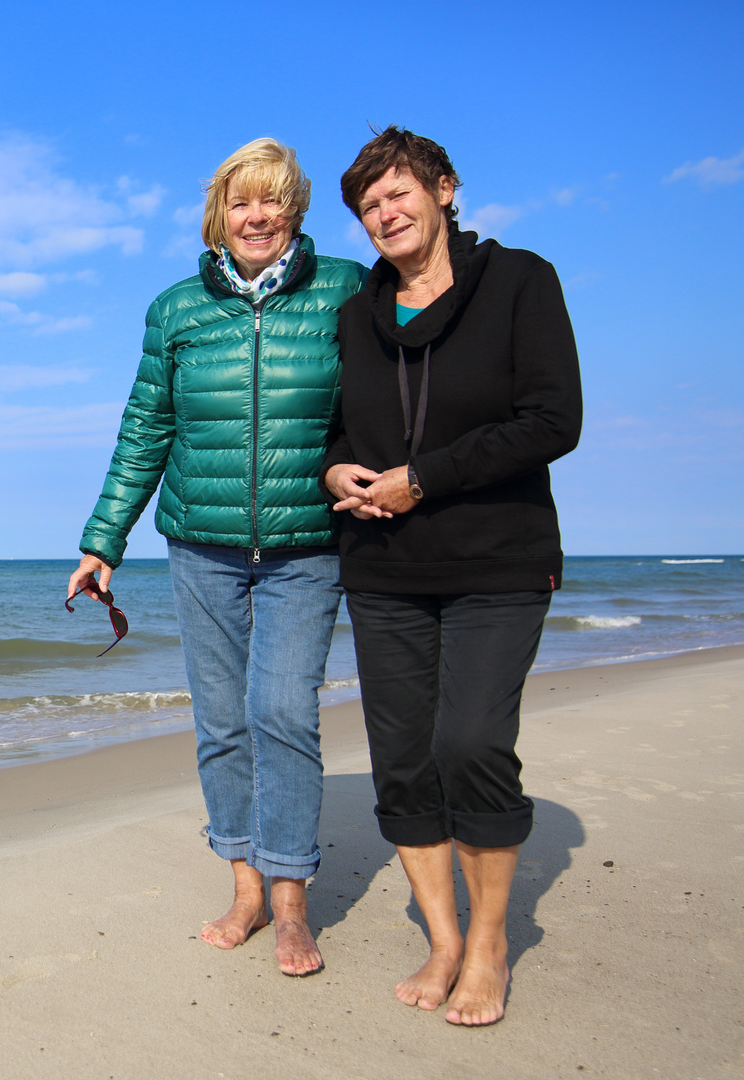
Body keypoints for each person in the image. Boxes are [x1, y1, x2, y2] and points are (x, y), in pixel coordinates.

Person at [68, 138, 366, 976]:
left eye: (272, 200)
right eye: (242, 202)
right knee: (222, 722)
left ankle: (290, 900)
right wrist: (102, 542)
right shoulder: (175, 311)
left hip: (307, 542)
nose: (257, 215)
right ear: (218, 216)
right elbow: (144, 430)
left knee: (282, 713)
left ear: (294, 209)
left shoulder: (345, 288)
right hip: (199, 546)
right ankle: (243, 885)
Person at [323, 127, 583, 1025]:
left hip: (496, 560)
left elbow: (553, 420)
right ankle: (442, 937)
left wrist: (423, 477)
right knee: (401, 762)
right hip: (383, 570)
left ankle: (490, 941)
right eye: (367, 207)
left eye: (397, 195)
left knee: (468, 743)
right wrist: (335, 472)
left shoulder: (519, 281)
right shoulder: (356, 312)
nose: (383, 215)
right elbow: (336, 429)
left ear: (443, 190)